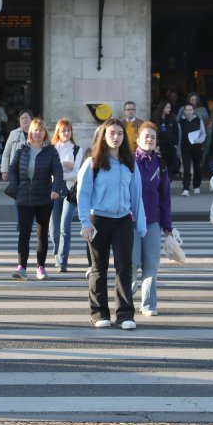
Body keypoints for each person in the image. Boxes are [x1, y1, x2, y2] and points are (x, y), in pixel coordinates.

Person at [77, 118, 146, 330]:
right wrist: (85, 222)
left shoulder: (130, 164)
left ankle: (125, 314)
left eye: (119, 134)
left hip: (123, 220)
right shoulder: (93, 163)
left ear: (124, 137)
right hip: (99, 219)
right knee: (99, 268)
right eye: (111, 133)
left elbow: (137, 195)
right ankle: (99, 313)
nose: (116, 137)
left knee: (125, 266)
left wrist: (140, 224)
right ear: (104, 137)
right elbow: (83, 194)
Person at [8, 118, 63, 280]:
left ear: (45, 132)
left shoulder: (51, 151)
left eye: (41, 130)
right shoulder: (22, 148)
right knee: (24, 233)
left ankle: (41, 267)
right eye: (35, 130)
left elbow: (58, 172)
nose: (38, 133)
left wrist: (55, 189)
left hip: (44, 197)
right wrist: (16, 187)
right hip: (24, 197)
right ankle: (21, 267)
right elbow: (13, 169)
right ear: (30, 132)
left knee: (42, 233)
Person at [132, 122, 172, 317]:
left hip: (153, 220)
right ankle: (128, 293)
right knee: (132, 262)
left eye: (153, 137)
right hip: (130, 220)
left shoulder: (161, 164)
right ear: (138, 139)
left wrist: (167, 224)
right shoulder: (129, 161)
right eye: (146, 136)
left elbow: (165, 195)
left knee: (151, 263)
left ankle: (148, 303)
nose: (149, 140)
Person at [50, 118, 83, 273]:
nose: (67, 133)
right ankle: (57, 253)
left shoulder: (77, 149)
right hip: (53, 192)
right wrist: (65, 167)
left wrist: (60, 170)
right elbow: (50, 173)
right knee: (54, 230)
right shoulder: (51, 149)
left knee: (65, 228)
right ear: (58, 132)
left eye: (69, 130)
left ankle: (63, 261)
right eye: (63, 131)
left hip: (70, 193)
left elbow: (77, 173)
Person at [178, 103, 206, 196]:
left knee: (197, 166)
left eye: (190, 110)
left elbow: (203, 134)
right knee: (186, 167)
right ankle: (186, 188)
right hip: (185, 147)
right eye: (187, 110)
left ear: (193, 111)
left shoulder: (198, 120)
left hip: (197, 147)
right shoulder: (181, 122)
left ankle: (196, 185)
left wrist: (198, 140)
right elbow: (179, 136)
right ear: (184, 111)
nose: (188, 112)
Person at [0, 109, 32, 181]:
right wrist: (4, 170)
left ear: (31, 119)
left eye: (26, 118)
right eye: (22, 118)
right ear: (19, 121)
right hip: (16, 171)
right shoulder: (14, 133)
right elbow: (6, 153)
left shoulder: (36, 133)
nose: (24, 120)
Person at [152, 100, 180, 176]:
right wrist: (155, 145)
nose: (169, 109)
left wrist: (175, 144)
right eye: (167, 107)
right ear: (163, 108)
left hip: (170, 147)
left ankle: (167, 184)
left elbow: (176, 132)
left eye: (170, 107)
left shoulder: (172, 118)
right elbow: (152, 132)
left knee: (169, 168)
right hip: (159, 147)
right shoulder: (155, 119)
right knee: (159, 167)